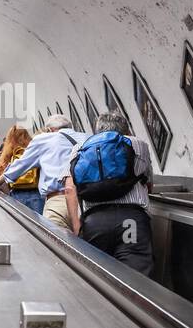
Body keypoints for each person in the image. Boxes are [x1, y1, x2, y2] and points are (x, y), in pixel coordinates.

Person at [66, 109, 154, 274]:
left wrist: (77, 226)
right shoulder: (138, 144)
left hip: (94, 221)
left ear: (97, 130)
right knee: (136, 279)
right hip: (131, 220)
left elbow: (70, 188)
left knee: (97, 275)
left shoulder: (80, 148)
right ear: (126, 129)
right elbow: (149, 184)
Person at [0, 114, 85, 232]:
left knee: (54, 246)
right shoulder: (87, 138)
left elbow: (20, 165)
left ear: (50, 129)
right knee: (86, 248)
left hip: (57, 202)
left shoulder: (44, 139)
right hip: (84, 202)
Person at [0, 125, 41, 214]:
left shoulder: (5, 156)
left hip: (15, 194)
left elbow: (1, 175)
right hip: (35, 194)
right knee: (38, 225)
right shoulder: (33, 150)